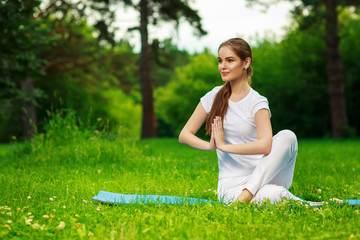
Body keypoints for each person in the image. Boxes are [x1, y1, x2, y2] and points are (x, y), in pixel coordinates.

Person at [178, 37, 304, 205]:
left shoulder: (257, 102)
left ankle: (247, 195)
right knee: (274, 195)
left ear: (246, 63)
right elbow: (184, 135)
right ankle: (312, 204)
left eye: (230, 60)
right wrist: (210, 146)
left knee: (288, 136)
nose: (223, 66)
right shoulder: (213, 96)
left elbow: (265, 145)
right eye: (220, 61)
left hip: (263, 177)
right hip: (231, 186)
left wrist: (225, 147)